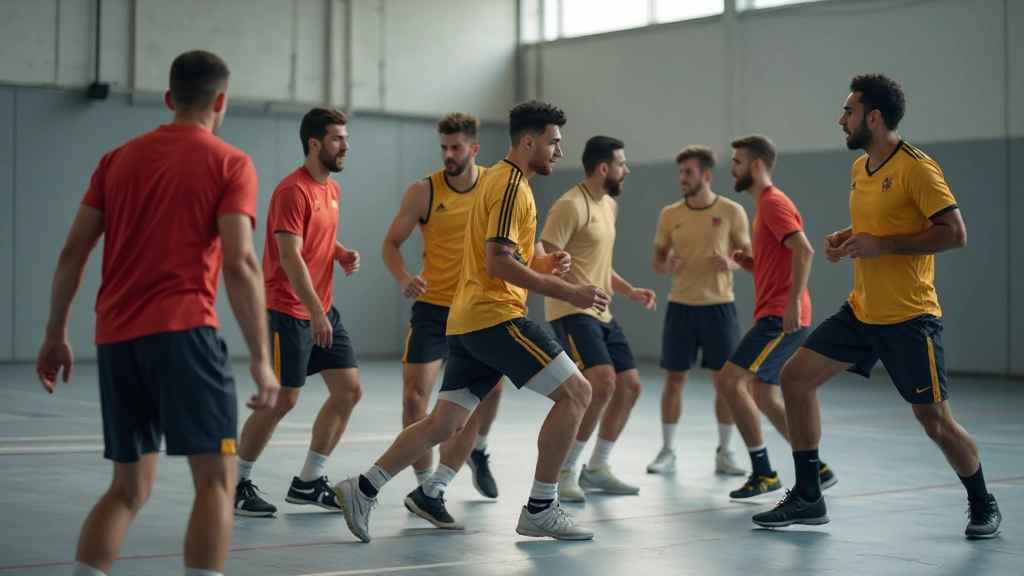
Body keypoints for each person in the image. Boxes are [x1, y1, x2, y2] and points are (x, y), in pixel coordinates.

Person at [35, 50, 280, 576]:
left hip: (116, 341)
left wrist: (56, 332)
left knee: (127, 488)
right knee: (216, 483)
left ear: (170, 99)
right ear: (221, 101)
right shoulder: (230, 162)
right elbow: (238, 261)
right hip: (184, 335)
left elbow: (72, 253)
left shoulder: (117, 159)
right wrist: (262, 357)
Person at [333, 99, 607, 542]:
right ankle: (542, 506)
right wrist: (570, 290)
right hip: (493, 316)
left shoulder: (499, 181)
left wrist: (543, 263)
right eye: (554, 143)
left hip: (466, 320)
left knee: (444, 424)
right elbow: (498, 263)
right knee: (578, 392)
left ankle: (362, 488)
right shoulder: (512, 187)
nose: (559, 151)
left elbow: (510, 256)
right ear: (530, 141)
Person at [756, 73, 1001, 538]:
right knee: (794, 378)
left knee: (934, 421)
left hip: (909, 316)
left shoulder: (918, 168)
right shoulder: (860, 167)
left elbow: (955, 233)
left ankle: (983, 502)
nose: (841, 120)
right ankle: (809, 496)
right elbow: (874, 225)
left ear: (874, 117)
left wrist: (883, 245)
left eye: (848, 112)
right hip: (861, 311)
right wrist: (844, 237)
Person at [233, 108, 364, 517]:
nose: (346, 145)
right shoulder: (293, 190)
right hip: (287, 311)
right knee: (283, 399)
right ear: (315, 143)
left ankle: (308, 481)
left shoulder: (331, 189)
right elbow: (289, 257)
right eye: (338, 138)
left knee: (348, 392)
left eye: (345, 137)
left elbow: (315, 236)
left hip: (321, 309)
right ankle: (235, 484)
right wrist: (314, 312)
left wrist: (339, 252)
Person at [381, 112, 503, 509]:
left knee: (491, 391)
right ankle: (424, 485)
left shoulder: (494, 186)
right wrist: (403, 278)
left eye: (456, 147)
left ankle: (478, 449)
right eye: (444, 148)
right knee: (416, 400)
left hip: (479, 307)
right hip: (433, 310)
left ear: (474, 148)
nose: (449, 154)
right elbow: (390, 244)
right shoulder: (423, 192)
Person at [715, 134, 838, 500]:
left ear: (756, 165)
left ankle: (763, 472)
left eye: (736, 162)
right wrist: (748, 262)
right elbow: (779, 262)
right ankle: (818, 467)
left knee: (729, 381)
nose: (731, 169)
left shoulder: (772, 203)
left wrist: (791, 301)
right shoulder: (763, 208)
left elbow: (804, 250)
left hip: (781, 316)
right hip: (777, 311)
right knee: (764, 394)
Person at [539, 136, 656, 502]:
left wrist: (629, 290)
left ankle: (596, 468)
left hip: (601, 310)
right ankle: (567, 470)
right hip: (572, 310)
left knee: (631, 386)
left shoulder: (608, 205)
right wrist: (577, 289)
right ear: (604, 168)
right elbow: (546, 255)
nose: (627, 169)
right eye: (622, 163)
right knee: (601, 383)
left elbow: (599, 265)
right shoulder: (570, 205)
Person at [647, 144, 750, 477]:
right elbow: (658, 260)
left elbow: (749, 256)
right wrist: (667, 265)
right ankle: (667, 451)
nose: (683, 178)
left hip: (720, 309)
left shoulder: (732, 211)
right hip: (681, 307)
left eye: (689, 172)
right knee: (675, 380)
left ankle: (726, 452)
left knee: (725, 383)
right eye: (681, 172)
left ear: (706, 175)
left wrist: (732, 263)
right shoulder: (669, 214)